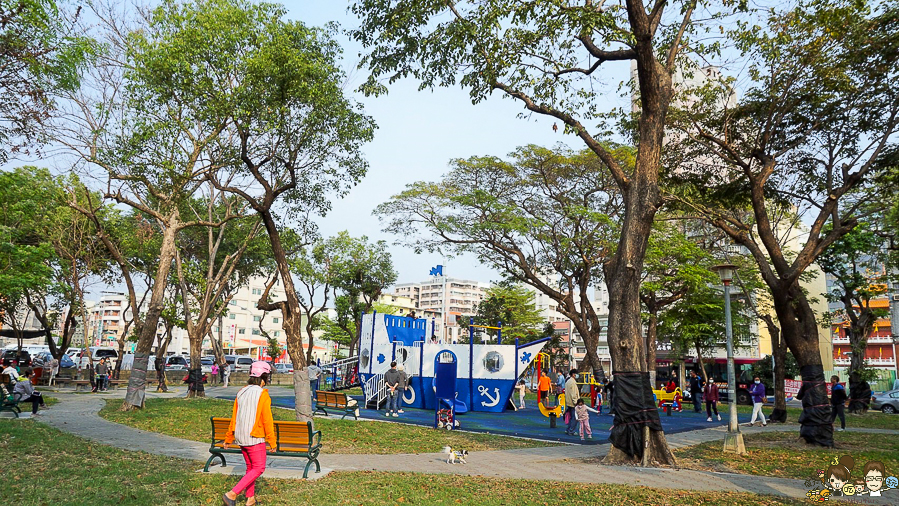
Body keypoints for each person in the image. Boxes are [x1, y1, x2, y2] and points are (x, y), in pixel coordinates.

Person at [221, 361, 275, 506]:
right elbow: (267, 419)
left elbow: (234, 417)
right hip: (254, 437)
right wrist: (272, 440)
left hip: (240, 436)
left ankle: (250, 499)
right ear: (264, 377)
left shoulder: (241, 392)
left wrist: (228, 437)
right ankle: (231, 494)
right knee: (259, 468)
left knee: (251, 467)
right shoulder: (262, 394)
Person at [564, 369, 580, 436]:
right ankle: (571, 430)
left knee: (571, 417)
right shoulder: (572, 382)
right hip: (573, 403)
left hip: (569, 402)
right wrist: (576, 402)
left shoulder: (568, 381)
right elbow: (573, 393)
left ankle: (568, 429)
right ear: (573, 374)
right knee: (575, 417)